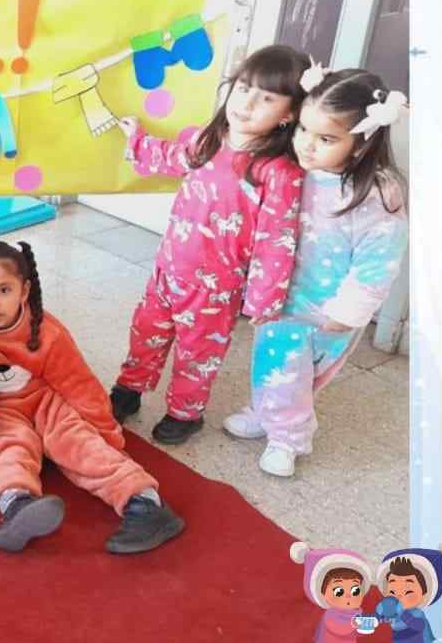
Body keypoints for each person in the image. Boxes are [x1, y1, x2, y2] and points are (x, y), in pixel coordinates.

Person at [108, 44, 311, 444]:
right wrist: (137, 138)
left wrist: (263, 300)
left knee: (198, 352)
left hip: (216, 288)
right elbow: (172, 157)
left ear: (289, 113)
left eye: (266, 98)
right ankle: (129, 388)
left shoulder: (279, 172)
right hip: (168, 269)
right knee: (146, 333)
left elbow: (277, 240)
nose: (247, 104)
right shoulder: (210, 140)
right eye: (243, 89)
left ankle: (185, 413)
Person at [223, 68, 409, 476]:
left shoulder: (376, 196)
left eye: (325, 139)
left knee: (302, 373)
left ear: (361, 143)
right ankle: (271, 419)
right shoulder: (294, 171)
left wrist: (349, 311)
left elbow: (379, 261)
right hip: (280, 294)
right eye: (303, 129)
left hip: (327, 307)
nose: (306, 144)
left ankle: (287, 435)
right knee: (275, 363)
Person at [0, 241, 185, 553]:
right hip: (1, 409)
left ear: (24, 290)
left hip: (46, 402)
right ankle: (18, 505)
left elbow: (79, 385)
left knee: (77, 444)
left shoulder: (48, 333)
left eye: (4, 290)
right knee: (7, 448)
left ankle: (144, 503)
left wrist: (105, 433)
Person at [289, 541, 374, 643]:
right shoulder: (331, 615)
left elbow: (357, 633)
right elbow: (338, 629)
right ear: (322, 594)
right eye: (339, 591)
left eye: (355, 590)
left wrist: (365, 627)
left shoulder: (356, 614)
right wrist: (355, 625)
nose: (348, 596)